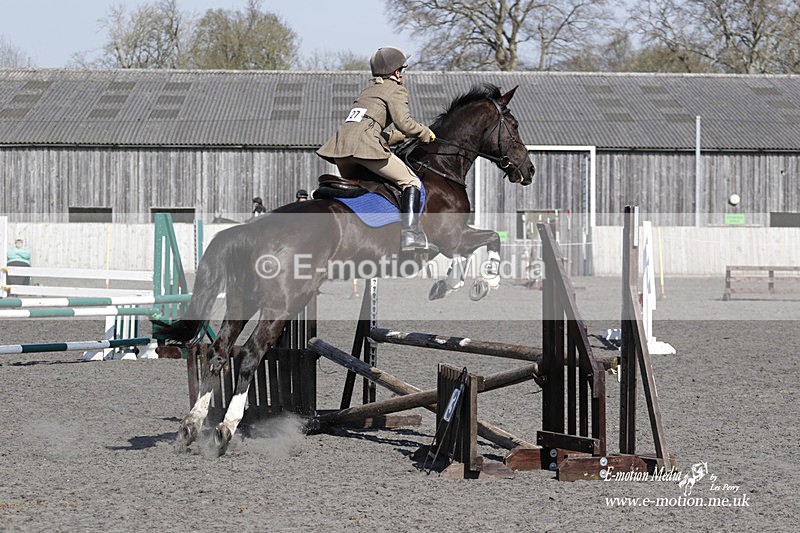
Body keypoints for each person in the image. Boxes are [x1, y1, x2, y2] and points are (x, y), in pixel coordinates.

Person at [317, 46, 436, 252]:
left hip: (342, 151)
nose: (404, 75)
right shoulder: (395, 89)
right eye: (404, 71)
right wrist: (424, 133)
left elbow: (367, 129)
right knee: (410, 181)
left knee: (366, 188)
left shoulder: (368, 92)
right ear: (397, 73)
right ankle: (409, 235)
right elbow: (405, 123)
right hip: (364, 150)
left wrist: (401, 136)